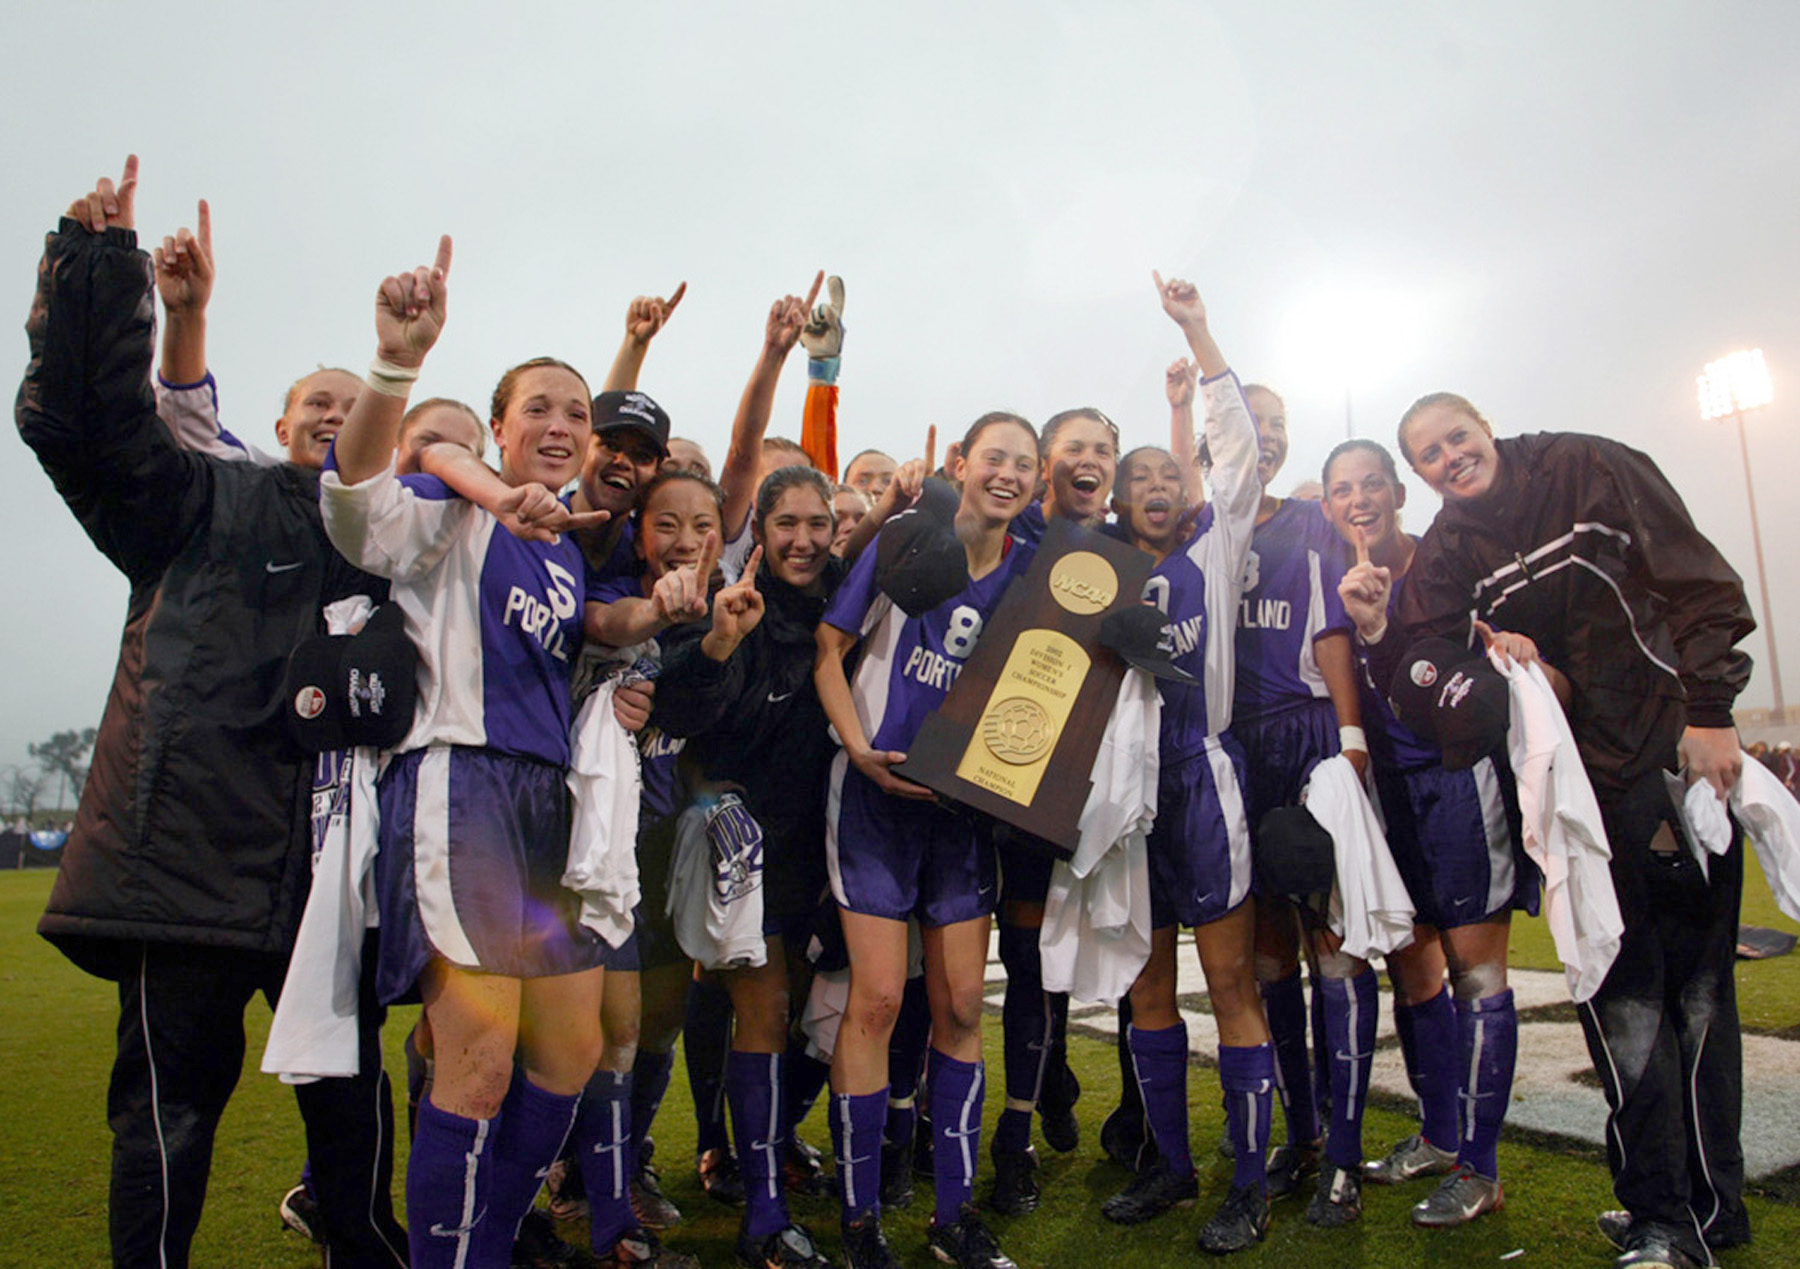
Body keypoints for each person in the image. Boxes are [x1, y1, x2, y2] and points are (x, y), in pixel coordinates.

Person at [17, 156, 400, 1268]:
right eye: (316, 404)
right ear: (274, 421)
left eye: (356, 405)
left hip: (329, 877)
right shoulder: (197, 498)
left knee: (351, 1108)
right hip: (183, 864)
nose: (336, 417)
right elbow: (87, 429)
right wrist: (99, 270)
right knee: (166, 1118)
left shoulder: (400, 541)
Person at [1346, 393, 1755, 1269]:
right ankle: (1663, 1212)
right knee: (1622, 1003)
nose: (1449, 458)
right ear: (1420, 473)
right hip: (1576, 797)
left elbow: (1698, 579)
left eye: (1456, 437)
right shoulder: (1451, 548)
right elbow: (1418, 661)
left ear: (1484, 424)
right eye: (1428, 453)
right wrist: (1484, 673)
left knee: (1696, 1003)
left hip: (1669, 762)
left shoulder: (1586, 464)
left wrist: (1713, 710)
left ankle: (1698, 1215)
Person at [319, 233, 651, 1268]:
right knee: (480, 1061)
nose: (560, 426)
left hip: (548, 806)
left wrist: (676, 607)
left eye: (577, 413)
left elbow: (604, 627)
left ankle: (486, 1244)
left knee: (573, 1051)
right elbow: (355, 499)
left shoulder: (561, 552)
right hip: (460, 789)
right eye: (538, 409)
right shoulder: (450, 514)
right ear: (499, 427)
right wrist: (395, 366)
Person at [815, 412, 1042, 1269]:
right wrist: (859, 751)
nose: (1009, 475)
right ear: (961, 464)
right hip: (874, 797)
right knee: (876, 1000)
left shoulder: (1032, 576)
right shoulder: (910, 538)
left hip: (958, 813)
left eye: (1025, 465)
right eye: (996, 458)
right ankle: (859, 1219)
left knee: (957, 1006)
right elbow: (829, 648)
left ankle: (954, 1216)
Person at [1320, 439, 1537, 1228]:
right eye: (1343, 489)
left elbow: (1501, 643)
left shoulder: (1448, 565)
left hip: (1459, 780)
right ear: (1329, 506)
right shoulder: (1334, 580)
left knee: (1478, 974)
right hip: (1391, 795)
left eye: (1372, 483)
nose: (1360, 500)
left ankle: (1482, 1167)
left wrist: (1508, 641)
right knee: (1414, 972)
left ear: (1399, 492)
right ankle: (1442, 1136)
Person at [1097, 276, 1272, 1254]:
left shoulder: (1215, 545)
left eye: (1172, 477)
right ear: (1123, 504)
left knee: (1232, 983)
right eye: (1143, 483)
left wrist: (1198, 331)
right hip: (1125, 795)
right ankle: (1172, 1163)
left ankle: (1250, 1183)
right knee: (1147, 990)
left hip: (1200, 776)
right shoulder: (1095, 572)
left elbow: (1237, 451)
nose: (1160, 490)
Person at [655, 465, 853, 1267]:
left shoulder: (848, 600)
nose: (802, 540)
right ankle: (763, 1216)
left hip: (824, 846)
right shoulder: (733, 606)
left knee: (803, 1009)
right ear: (760, 533)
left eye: (817, 523)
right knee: (763, 1011)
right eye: (786, 524)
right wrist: (717, 641)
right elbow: (682, 713)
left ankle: (756, 1156)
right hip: (743, 843)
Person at [1229, 381, 1375, 1227]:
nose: (1270, 440)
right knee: (1269, 949)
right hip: (1233, 748)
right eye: (1254, 427)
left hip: (1309, 737)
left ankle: (1347, 1154)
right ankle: (1303, 1130)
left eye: (1280, 428)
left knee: (1335, 940)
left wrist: (1351, 739)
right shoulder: (1203, 526)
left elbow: (1332, 635)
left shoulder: (1312, 522)